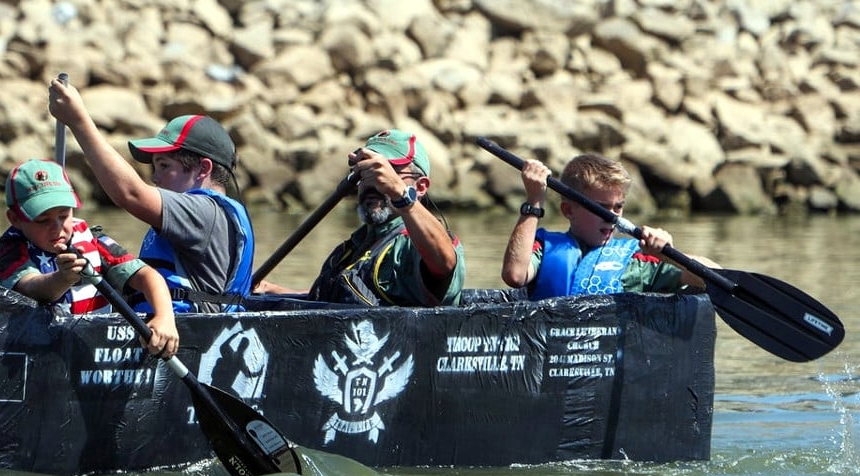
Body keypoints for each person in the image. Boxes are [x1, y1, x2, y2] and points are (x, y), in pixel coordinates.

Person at [47, 80, 253, 313]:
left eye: (164, 166)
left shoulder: (204, 211)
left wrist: (78, 121)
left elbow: (131, 194)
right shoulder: (211, 215)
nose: (155, 178)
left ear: (203, 169)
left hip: (181, 337)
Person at [254, 129, 466, 307]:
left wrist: (400, 194)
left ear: (420, 187)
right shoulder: (350, 248)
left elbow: (445, 262)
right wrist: (270, 290)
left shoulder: (416, 244)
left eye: (384, 172)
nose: (373, 182)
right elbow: (328, 304)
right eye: (364, 172)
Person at [0, 158, 179, 359]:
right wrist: (63, 278)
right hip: (37, 354)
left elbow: (147, 275)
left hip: (92, 351)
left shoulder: (92, 240)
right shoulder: (9, 251)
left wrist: (165, 317)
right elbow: (31, 289)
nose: (57, 227)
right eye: (43, 220)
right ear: (15, 219)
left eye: (64, 215)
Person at [502, 153, 719, 298]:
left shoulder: (638, 261)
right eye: (601, 208)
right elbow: (515, 275)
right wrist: (534, 201)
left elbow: (716, 279)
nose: (611, 217)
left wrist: (669, 255)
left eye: (618, 207)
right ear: (568, 210)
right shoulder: (546, 248)